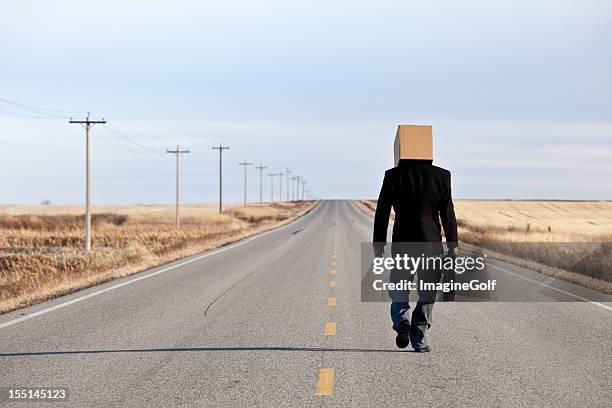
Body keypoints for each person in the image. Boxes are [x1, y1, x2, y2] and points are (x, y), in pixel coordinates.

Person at [373, 158, 458, 352]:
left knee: (399, 287)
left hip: (403, 243)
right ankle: (419, 339)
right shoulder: (442, 175)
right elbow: (448, 211)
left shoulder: (393, 175)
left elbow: (382, 210)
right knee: (428, 292)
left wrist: (379, 242)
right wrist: (453, 243)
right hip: (431, 244)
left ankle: (402, 321)